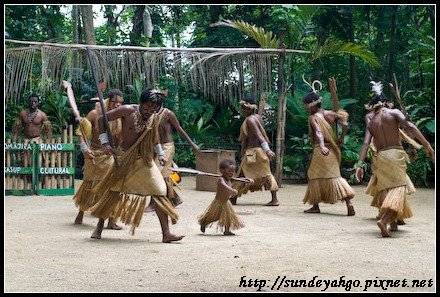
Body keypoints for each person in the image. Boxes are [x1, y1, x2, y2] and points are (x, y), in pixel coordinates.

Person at [89, 88, 184, 243]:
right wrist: (105, 142)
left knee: (160, 190)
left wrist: (160, 153)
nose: (149, 112)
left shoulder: (153, 118)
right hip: (124, 158)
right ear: (140, 103)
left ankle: (166, 234)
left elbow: (155, 138)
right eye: (146, 108)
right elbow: (101, 120)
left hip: (144, 160)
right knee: (113, 192)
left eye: (153, 109)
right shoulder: (127, 110)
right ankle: (99, 227)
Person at [355, 81, 434, 237]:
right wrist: (427, 145)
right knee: (398, 187)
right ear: (386, 103)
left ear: (372, 106)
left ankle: (393, 222)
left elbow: (365, 143)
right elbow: (410, 127)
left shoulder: (372, 122)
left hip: (381, 156)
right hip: (395, 154)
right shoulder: (394, 113)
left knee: (387, 189)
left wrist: (359, 164)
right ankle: (384, 220)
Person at [63, 80, 124, 230]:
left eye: (120, 103)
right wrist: (85, 148)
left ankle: (111, 220)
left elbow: (122, 138)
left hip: (110, 156)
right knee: (89, 184)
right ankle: (81, 212)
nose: (117, 105)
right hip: (94, 154)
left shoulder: (120, 117)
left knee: (112, 186)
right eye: (114, 102)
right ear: (108, 101)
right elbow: (81, 132)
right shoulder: (95, 113)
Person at [301, 79, 355, 216]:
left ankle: (315, 205)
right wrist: (342, 137)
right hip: (333, 148)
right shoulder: (330, 114)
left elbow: (318, 132)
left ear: (311, 105)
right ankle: (348, 203)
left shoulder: (313, 117)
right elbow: (345, 124)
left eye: (306, 105)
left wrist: (322, 145)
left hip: (322, 149)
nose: (305, 108)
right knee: (335, 176)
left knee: (313, 175)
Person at [144, 93, 201, 212]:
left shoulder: (168, 113)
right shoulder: (150, 115)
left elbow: (180, 129)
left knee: (156, 174)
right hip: (155, 147)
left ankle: (154, 203)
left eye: (153, 104)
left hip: (167, 147)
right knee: (163, 175)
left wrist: (192, 144)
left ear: (158, 104)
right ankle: (174, 198)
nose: (150, 107)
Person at [230, 97, 280, 206]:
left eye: (244, 108)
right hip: (260, 152)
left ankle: (233, 197)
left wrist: (268, 150)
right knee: (267, 175)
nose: (242, 111)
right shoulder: (257, 117)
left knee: (242, 175)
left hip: (253, 153)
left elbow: (259, 135)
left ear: (250, 109)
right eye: (242, 108)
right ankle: (274, 199)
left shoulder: (250, 120)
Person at [199, 159, 253, 236]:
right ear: (222, 170)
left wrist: (248, 180)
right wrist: (231, 190)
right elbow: (224, 186)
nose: (231, 173)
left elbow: (241, 180)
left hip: (226, 202)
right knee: (215, 217)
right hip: (218, 202)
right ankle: (204, 222)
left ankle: (227, 230)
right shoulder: (221, 180)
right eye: (229, 171)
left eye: (232, 171)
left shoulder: (230, 178)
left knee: (228, 216)